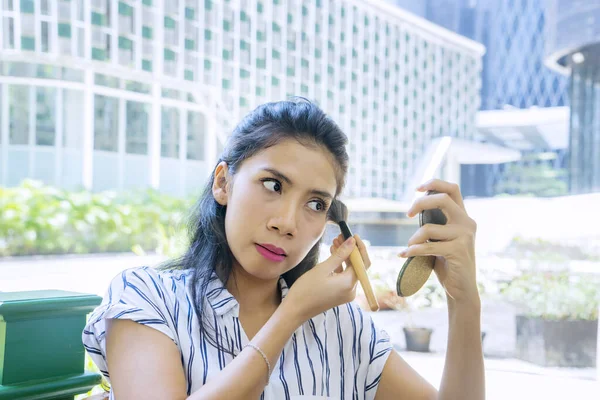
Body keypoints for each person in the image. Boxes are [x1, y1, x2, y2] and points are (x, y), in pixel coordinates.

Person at [82, 99, 484, 400]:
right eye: (273, 185)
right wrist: (290, 315)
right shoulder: (147, 298)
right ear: (223, 183)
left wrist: (464, 302)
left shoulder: (341, 327)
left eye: (315, 204)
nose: (287, 223)